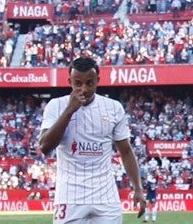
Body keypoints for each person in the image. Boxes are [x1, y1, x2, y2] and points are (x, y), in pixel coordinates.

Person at [38, 56, 146, 223]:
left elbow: (126, 151)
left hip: (105, 195)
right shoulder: (56, 105)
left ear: (98, 81)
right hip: (70, 195)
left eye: (89, 83)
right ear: (69, 81)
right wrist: (69, 111)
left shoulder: (113, 108)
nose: (84, 89)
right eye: (78, 83)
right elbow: (45, 147)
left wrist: (138, 188)